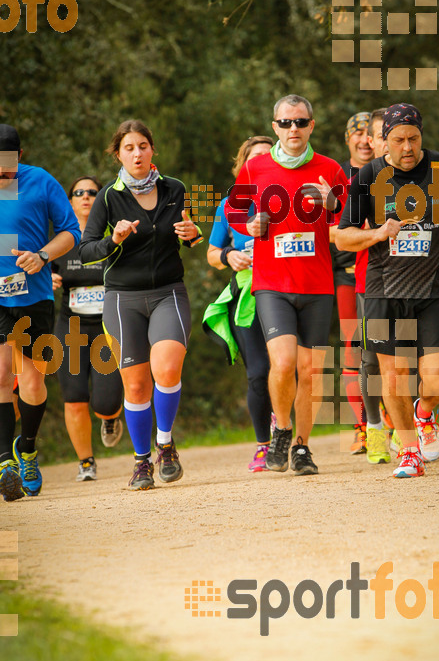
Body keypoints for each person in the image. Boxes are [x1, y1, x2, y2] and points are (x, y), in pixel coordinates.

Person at [336, 103, 439, 478]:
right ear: (385, 143)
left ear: (422, 137)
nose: (407, 147)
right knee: (392, 376)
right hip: (383, 289)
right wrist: (378, 232)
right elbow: (341, 236)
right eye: (398, 140)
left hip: (434, 289)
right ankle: (409, 452)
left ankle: (424, 412)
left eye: (413, 138)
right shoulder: (367, 176)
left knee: (438, 381)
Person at [226, 95, 348, 475]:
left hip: (316, 284)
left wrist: (332, 204)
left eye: (300, 122)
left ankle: (301, 448)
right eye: (285, 123)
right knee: (282, 362)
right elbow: (233, 211)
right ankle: (281, 427)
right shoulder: (255, 168)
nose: (292, 129)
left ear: (312, 125)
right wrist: (249, 226)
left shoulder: (329, 168)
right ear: (275, 126)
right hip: (272, 282)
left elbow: (351, 218)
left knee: (309, 370)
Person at [79, 120, 202, 491]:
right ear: (118, 153)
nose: (137, 153)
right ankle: (141, 462)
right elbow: (85, 251)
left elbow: (190, 235)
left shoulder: (175, 189)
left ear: (153, 151)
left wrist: (193, 235)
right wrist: (112, 240)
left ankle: (164, 445)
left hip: (168, 292)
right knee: (134, 387)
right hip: (122, 299)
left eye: (143, 146)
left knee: (166, 368)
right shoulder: (107, 198)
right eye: (129, 147)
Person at [0, 124, 81, 501]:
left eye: (6, 171)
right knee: (1, 376)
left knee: (33, 382)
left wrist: (43, 255)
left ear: (19, 157)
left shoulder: (40, 181)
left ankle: (27, 449)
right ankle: (4, 463)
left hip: (33, 297)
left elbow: (70, 232)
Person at [204, 136, 274, 472]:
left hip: (287, 291)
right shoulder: (229, 205)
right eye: (253, 157)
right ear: (243, 165)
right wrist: (229, 254)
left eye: (267, 156)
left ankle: (289, 433)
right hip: (246, 296)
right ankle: (264, 444)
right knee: (258, 373)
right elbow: (211, 254)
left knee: (287, 367)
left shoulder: (290, 199)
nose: (261, 162)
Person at [52, 176, 124, 482]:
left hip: (107, 328)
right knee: (75, 396)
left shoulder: (114, 237)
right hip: (71, 327)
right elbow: (38, 269)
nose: (85, 197)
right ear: (70, 201)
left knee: (106, 403)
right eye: (78, 193)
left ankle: (110, 420)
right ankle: (85, 462)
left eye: (93, 192)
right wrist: (48, 280)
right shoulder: (59, 241)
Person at [353, 107, 397, 465]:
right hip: (374, 278)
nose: (387, 142)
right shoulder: (364, 177)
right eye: (382, 135)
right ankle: (375, 429)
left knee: (413, 353)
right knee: (370, 357)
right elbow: (345, 231)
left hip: (421, 278)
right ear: (372, 140)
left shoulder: (426, 173)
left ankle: (413, 423)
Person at [333, 112, 373, 456]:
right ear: (348, 140)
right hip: (345, 275)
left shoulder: (393, 175)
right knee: (352, 348)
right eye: (356, 135)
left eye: (368, 135)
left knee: (394, 346)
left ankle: (394, 421)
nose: (363, 141)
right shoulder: (334, 177)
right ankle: (361, 427)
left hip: (389, 272)